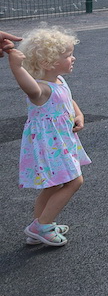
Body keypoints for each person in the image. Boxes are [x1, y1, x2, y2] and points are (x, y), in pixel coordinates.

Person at [3, 27, 89, 247]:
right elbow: (28, 87)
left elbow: (69, 100)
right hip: (50, 146)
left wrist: (78, 114)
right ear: (48, 63)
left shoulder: (59, 80)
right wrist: (16, 67)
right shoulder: (41, 89)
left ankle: (40, 225)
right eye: (67, 55)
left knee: (52, 185)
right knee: (74, 181)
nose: (73, 58)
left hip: (62, 142)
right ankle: (42, 225)